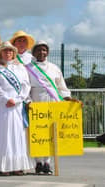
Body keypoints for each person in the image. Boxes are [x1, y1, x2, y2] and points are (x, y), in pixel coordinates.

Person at [25, 40, 74, 175]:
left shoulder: (54, 68)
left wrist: (68, 98)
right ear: (34, 52)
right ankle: (37, 163)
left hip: (52, 102)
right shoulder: (28, 68)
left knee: (50, 134)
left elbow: (61, 86)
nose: (42, 52)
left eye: (44, 50)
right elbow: (25, 88)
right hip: (37, 102)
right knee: (36, 133)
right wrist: (28, 101)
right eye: (39, 50)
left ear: (48, 52)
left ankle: (47, 162)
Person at [0, 41, 32, 176]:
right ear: (0, 53)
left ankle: (17, 166)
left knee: (17, 135)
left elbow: (26, 86)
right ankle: (3, 166)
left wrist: (17, 100)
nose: (8, 53)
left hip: (16, 106)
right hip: (1, 105)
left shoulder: (20, 68)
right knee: (3, 134)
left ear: (14, 53)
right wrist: (6, 99)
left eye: (10, 51)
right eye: (5, 51)